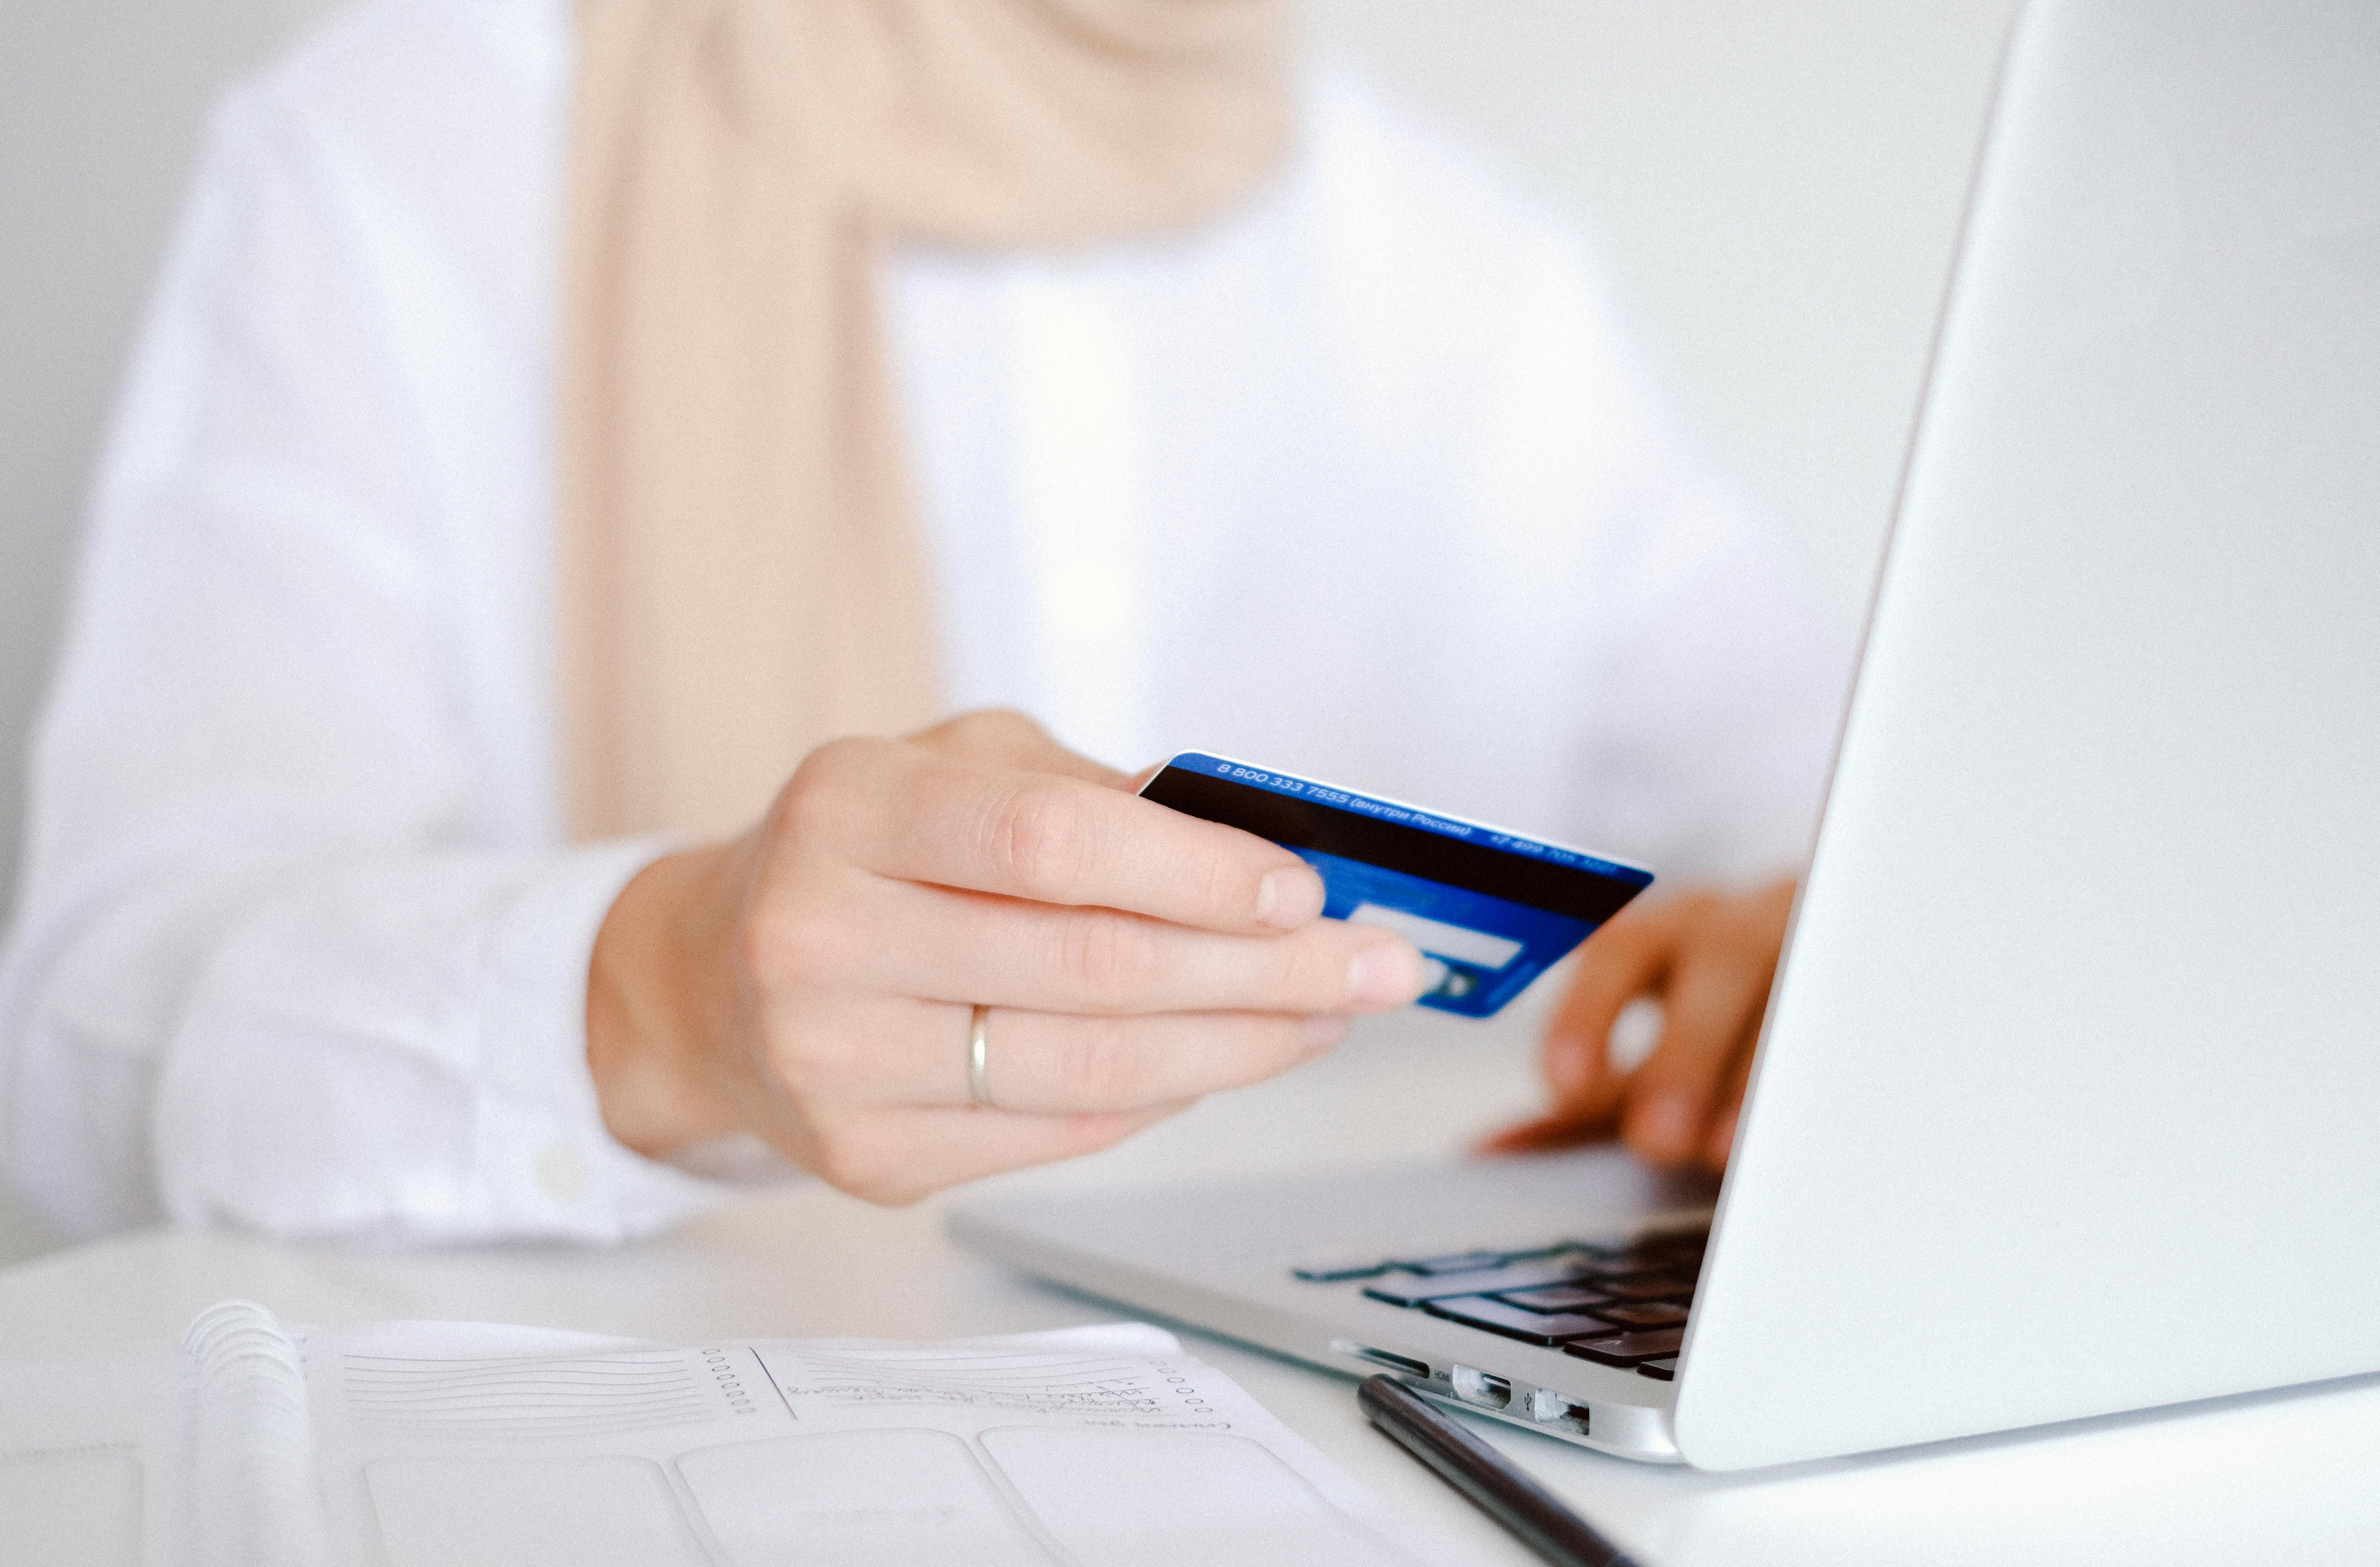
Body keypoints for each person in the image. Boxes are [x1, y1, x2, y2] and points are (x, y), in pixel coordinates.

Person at [0, 0, 1847, 1247]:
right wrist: (653, 991)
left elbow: (1833, 793)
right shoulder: (402, 148)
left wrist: (1817, 947)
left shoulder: (1474, 271)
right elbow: (83, 1054)